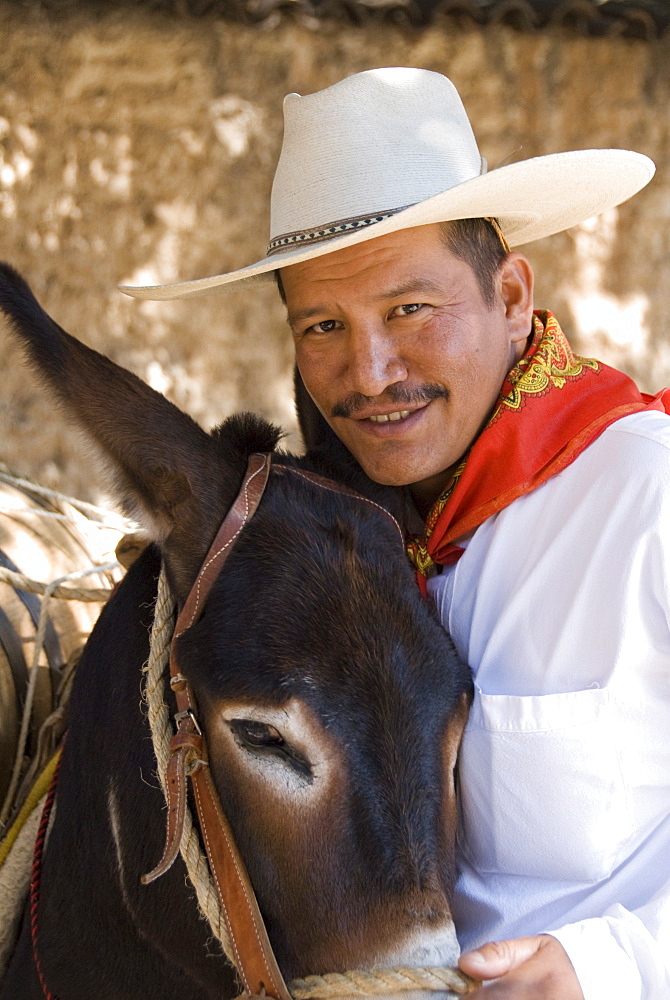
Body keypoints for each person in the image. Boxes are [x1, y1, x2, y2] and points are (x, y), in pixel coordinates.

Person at [121, 68, 670, 1000]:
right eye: (324, 324)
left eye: (410, 309)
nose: (368, 373)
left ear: (510, 296)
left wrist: (611, 964)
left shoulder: (645, 495)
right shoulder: (335, 541)